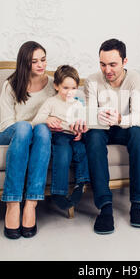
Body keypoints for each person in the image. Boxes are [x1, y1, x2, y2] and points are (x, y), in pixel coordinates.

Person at [83, 38, 140, 235]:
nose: (107, 70)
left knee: (138, 133)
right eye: (103, 64)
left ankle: (137, 204)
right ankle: (105, 207)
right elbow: (90, 115)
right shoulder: (92, 81)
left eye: (113, 64)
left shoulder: (135, 79)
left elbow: (137, 117)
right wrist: (99, 116)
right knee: (93, 136)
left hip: (123, 126)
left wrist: (120, 118)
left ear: (124, 61)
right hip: (100, 128)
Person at [0, 41, 58, 240]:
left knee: (42, 129)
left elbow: (63, 107)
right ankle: (12, 203)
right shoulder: (11, 84)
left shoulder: (53, 85)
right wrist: (37, 123)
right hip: (12, 134)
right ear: (25, 63)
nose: (41, 65)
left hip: (39, 136)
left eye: (43, 59)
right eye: (34, 61)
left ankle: (31, 203)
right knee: (25, 127)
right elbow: (7, 123)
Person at [32, 65, 90, 211]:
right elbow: (35, 120)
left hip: (73, 136)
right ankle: (58, 192)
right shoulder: (51, 102)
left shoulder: (77, 104)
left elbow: (84, 122)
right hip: (59, 135)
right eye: (65, 88)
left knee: (82, 150)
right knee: (63, 153)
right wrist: (47, 119)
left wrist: (80, 131)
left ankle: (81, 183)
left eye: (73, 88)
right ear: (56, 86)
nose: (70, 92)